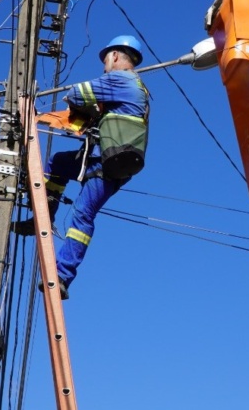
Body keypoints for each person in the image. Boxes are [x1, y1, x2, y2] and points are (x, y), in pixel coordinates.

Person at [12, 35, 150, 299]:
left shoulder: (119, 79)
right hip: (113, 161)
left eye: (106, 60)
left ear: (116, 56)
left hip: (104, 161)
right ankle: (44, 216)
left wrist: (85, 106)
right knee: (57, 164)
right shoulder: (139, 88)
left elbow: (75, 94)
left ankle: (62, 275)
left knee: (83, 214)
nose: (104, 66)